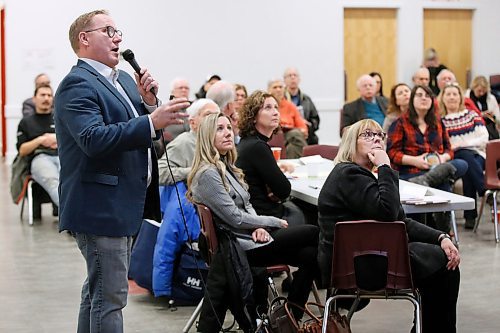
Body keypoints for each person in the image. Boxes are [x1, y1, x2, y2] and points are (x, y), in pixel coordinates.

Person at [54, 9, 190, 332]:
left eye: (119, 32)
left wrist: (148, 105)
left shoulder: (124, 80)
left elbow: (141, 129)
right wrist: (149, 121)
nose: (117, 38)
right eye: (108, 31)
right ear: (84, 39)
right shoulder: (76, 85)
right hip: (99, 206)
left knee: (98, 293)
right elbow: (93, 139)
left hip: (124, 204)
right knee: (111, 298)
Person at [318, 119, 460, 332]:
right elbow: (389, 212)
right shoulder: (348, 175)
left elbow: (399, 220)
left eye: (379, 135)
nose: (376, 138)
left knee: (441, 257)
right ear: (351, 142)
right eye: (367, 134)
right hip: (357, 266)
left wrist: (441, 237)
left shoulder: (361, 176)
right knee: (445, 265)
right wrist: (385, 166)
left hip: (366, 258)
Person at [187, 113, 319, 331]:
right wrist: (271, 221)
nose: (228, 132)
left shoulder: (225, 165)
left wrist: (258, 225)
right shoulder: (208, 173)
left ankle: (289, 317)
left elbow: (246, 204)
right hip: (240, 249)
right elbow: (235, 217)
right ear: (206, 136)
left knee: (311, 255)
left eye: (229, 127)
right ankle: (295, 312)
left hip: (249, 236)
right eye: (219, 129)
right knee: (313, 232)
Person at [387, 85, 468, 232]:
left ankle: (427, 181)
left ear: (432, 101)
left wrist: (442, 158)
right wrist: (415, 160)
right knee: (443, 185)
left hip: (436, 168)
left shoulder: (437, 122)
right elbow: (392, 153)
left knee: (462, 163)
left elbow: (449, 150)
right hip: (411, 173)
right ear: (412, 100)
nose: (424, 98)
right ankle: (442, 233)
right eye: (419, 95)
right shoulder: (400, 123)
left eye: (427, 96)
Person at [236, 90, 306, 227]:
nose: (275, 112)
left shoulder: (249, 142)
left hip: (256, 213)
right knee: (312, 221)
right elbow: (284, 190)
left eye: (276, 107)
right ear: (253, 117)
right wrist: (274, 189)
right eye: (268, 107)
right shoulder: (257, 146)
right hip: (263, 218)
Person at [439, 83, 489, 229]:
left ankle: (470, 216)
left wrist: (463, 144)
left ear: (461, 98)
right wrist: (460, 147)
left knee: (466, 160)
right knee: (464, 160)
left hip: (478, 155)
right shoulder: (439, 120)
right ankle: (482, 190)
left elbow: (484, 137)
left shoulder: (471, 114)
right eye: (448, 94)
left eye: (455, 94)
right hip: (454, 158)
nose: (452, 97)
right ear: (442, 98)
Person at [158, 98, 219, 186]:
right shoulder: (184, 142)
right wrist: (195, 171)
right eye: (208, 115)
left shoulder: (220, 141)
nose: (214, 120)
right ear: (193, 122)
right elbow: (160, 172)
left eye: (217, 116)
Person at [16, 84, 59, 207]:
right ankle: (74, 217)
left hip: (61, 156)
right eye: (42, 95)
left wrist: (55, 138)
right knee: (53, 182)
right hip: (40, 158)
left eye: (49, 95)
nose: (46, 98)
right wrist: (40, 140)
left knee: (71, 182)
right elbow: (22, 150)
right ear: (34, 99)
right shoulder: (26, 122)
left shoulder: (60, 119)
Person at [268, 78, 308, 158]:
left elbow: (303, 129)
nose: (278, 90)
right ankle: (306, 158)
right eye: (275, 87)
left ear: (284, 89)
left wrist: (298, 129)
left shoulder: (290, 106)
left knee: (292, 147)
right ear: (269, 90)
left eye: (280, 87)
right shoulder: (266, 105)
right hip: (272, 134)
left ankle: (290, 165)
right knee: (295, 135)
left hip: (290, 136)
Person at [284, 67, 320, 145]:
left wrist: (308, 124)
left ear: (299, 79)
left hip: (306, 133)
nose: (293, 78)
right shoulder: (282, 99)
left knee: (314, 139)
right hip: (289, 134)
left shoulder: (307, 99)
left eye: (295, 75)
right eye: (289, 75)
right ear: (285, 80)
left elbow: (316, 119)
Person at [465, 75, 500, 140]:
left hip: (490, 129)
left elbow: (498, 117)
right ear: (473, 88)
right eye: (479, 91)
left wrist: (492, 116)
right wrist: (480, 115)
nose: (481, 93)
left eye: (484, 91)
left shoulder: (491, 98)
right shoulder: (466, 98)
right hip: (472, 129)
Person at [162, 77, 192, 142]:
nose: (184, 90)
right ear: (172, 91)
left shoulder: (194, 108)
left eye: (186, 88)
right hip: (170, 146)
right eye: (180, 88)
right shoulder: (166, 109)